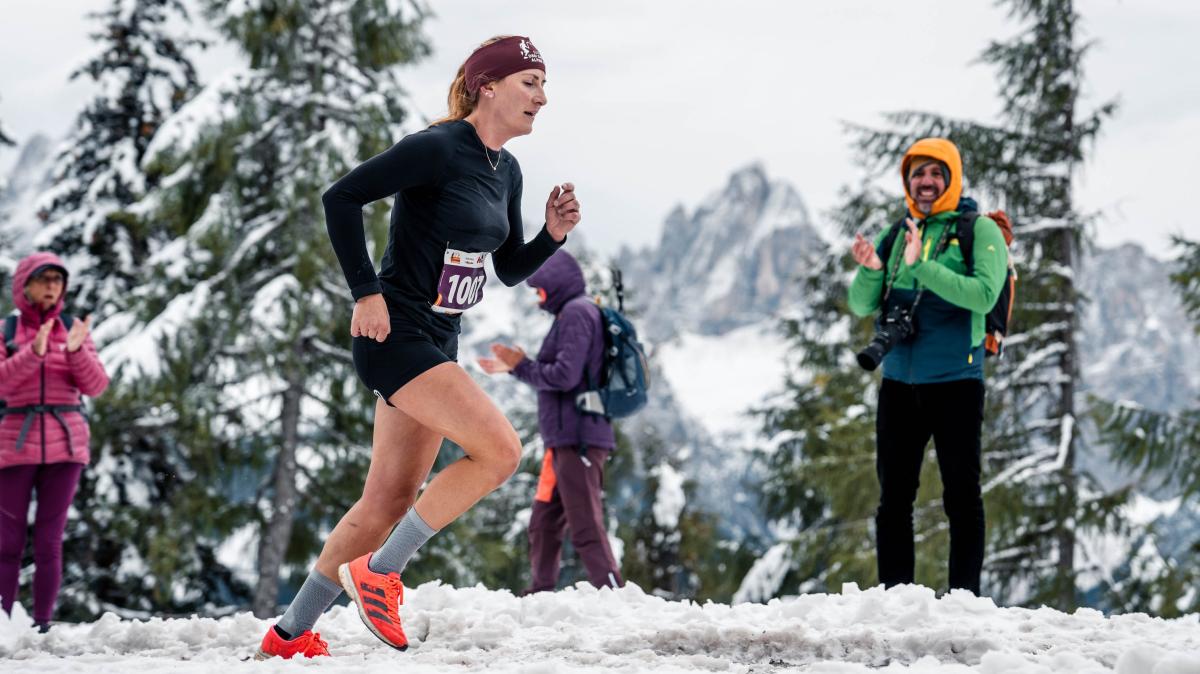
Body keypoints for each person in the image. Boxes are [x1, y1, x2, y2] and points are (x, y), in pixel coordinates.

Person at [256, 35, 579, 659]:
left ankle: (289, 634)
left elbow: (507, 267)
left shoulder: (504, 168)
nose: (542, 97)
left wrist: (552, 236)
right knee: (500, 452)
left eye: (543, 86)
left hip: (437, 337)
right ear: (488, 86)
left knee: (387, 500)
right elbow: (340, 198)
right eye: (530, 83)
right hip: (394, 332)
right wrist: (365, 293)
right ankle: (382, 571)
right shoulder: (437, 148)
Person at [847, 138, 1008, 596]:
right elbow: (861, 304)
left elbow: (983, 295)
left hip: (957, 381)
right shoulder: (897, 233)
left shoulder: (980, 232)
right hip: (898, 383)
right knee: (893, 500)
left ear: (952, 178)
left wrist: (921, 268)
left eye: (937, 173)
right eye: (918, 173)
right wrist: (874, 269)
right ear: (907, 180)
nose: (926, 182)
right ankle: (897, 599)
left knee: (961, 496)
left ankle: (964, 599)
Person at [477, 250, 623, 593]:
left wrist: (520, 366)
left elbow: (564, 376)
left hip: (579, 439)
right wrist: (517, 367)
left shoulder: (576, 313)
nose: (536, 296)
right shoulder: (570, 314)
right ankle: (539, 594)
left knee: (585, 525)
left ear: (554, 282)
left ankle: (616, 595)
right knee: (543, 523)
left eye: (538, 288)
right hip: (561, 440)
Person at [0, 252, 108, 632]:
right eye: (43, 279)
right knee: (6, 541)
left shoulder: (73, 330)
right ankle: (3, 622)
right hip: (14, 445)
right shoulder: (6, 332)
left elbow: (95, 385)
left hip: (66, 446)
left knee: (49, 541)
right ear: (24, 285)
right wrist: (35, 353)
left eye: (57, 280)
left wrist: (76, 352)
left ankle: (42, 625)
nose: (51, 287)